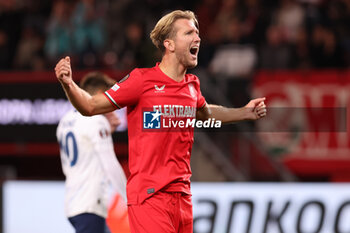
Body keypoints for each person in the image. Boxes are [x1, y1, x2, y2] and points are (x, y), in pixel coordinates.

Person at [55, 10, 266, 233]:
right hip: (150, 197)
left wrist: (244, 112)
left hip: (183, 198)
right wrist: (68, 84)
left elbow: (206, 114)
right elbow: (90, 106)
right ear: (170, 44)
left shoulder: (192, 85)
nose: (198, 38)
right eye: (189, 33)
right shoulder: (141, 80)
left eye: (197, 33)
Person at [56, 72, 128, 233]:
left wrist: (107, 131)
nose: (111, 104)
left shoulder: (65, 120)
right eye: (108, 98)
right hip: (90, 204)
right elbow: (110, 164)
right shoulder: (96, 121)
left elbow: (84, 150)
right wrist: (130, 201)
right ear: (98, 95)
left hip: (73, 202)